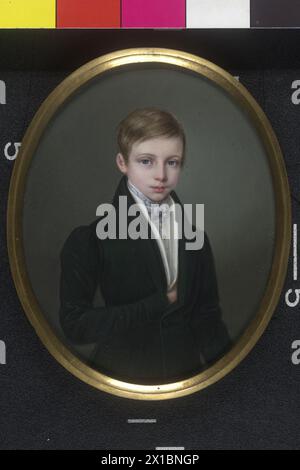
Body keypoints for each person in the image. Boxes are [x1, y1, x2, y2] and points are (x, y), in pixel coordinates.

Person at [59, 108, 231, 384]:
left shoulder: (197, 239)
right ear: (122, 162)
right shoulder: (89, 240)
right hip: (119, 380)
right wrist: (159, 303)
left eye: (172, 162)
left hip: (186, 383)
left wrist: (228, 381)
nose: (161, 175)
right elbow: (75, 326)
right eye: (146, 161)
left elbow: (208, 320)